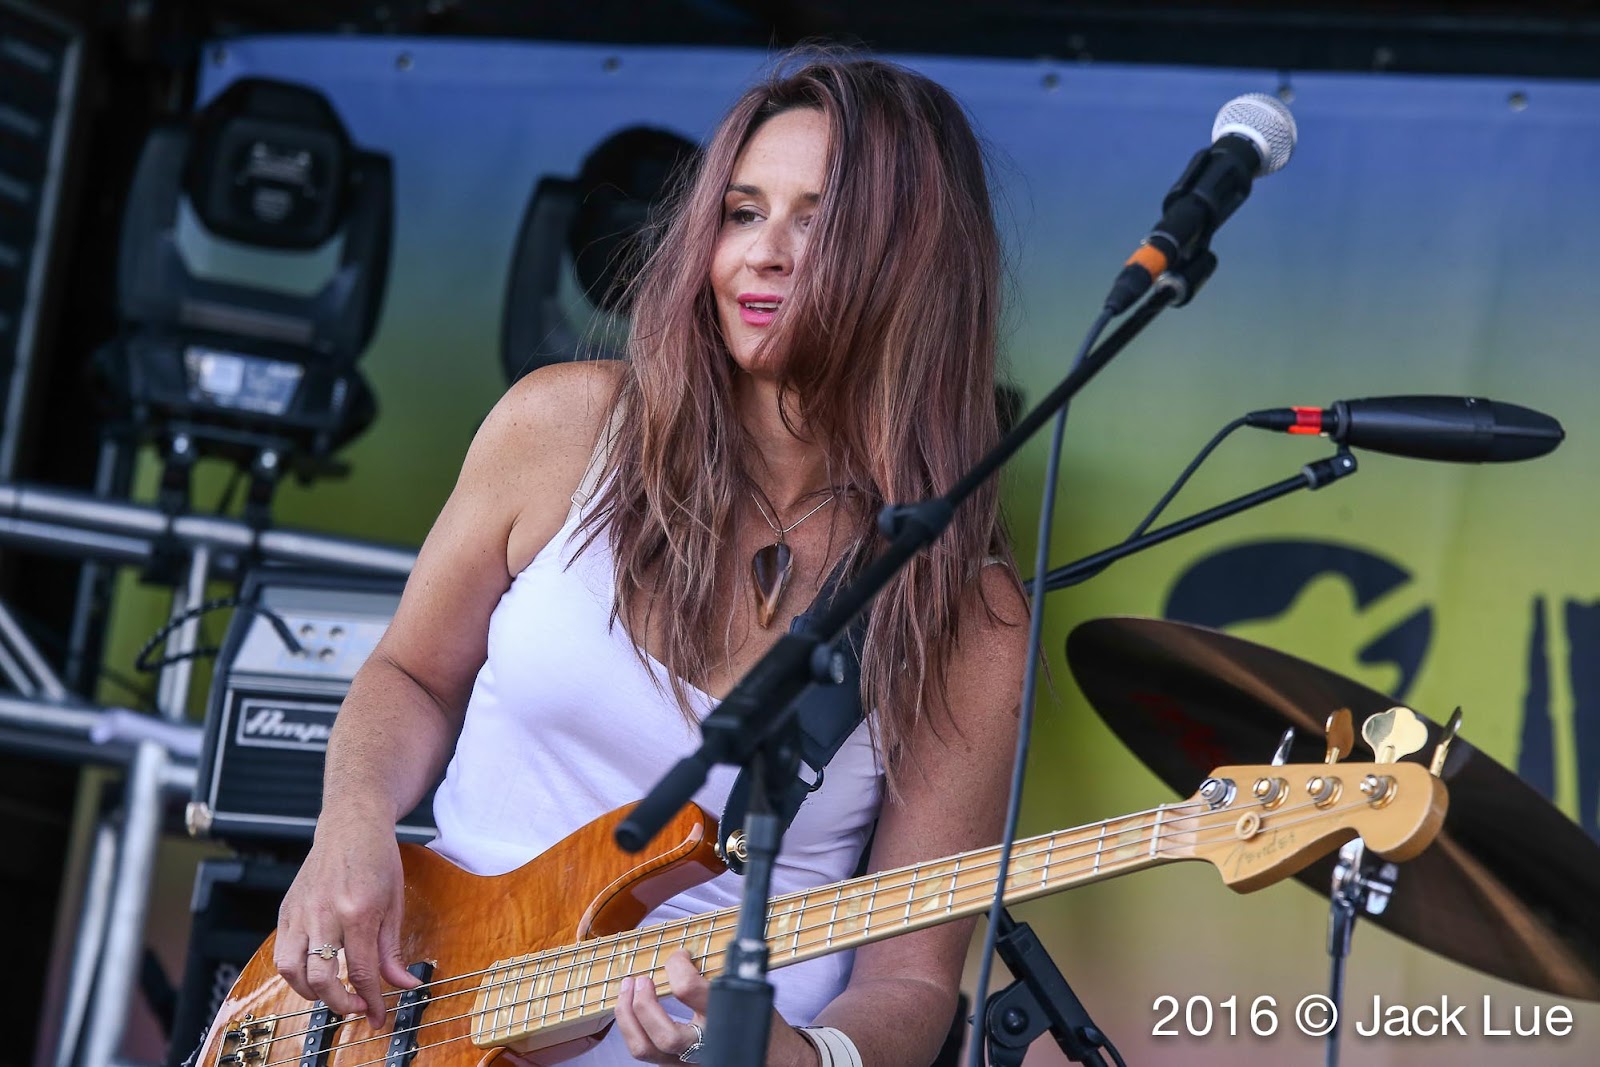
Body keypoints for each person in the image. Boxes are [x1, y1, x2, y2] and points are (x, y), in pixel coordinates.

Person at [274, 50, 1028, 1067]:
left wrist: (803, 1056)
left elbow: (913, 975)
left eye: (818, 217)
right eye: (742, 210)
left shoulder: (961, 605)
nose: (762, 252)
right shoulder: (564, 428)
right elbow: (410, 672)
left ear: (917, 262)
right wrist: (351, 823)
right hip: (406, 1019)